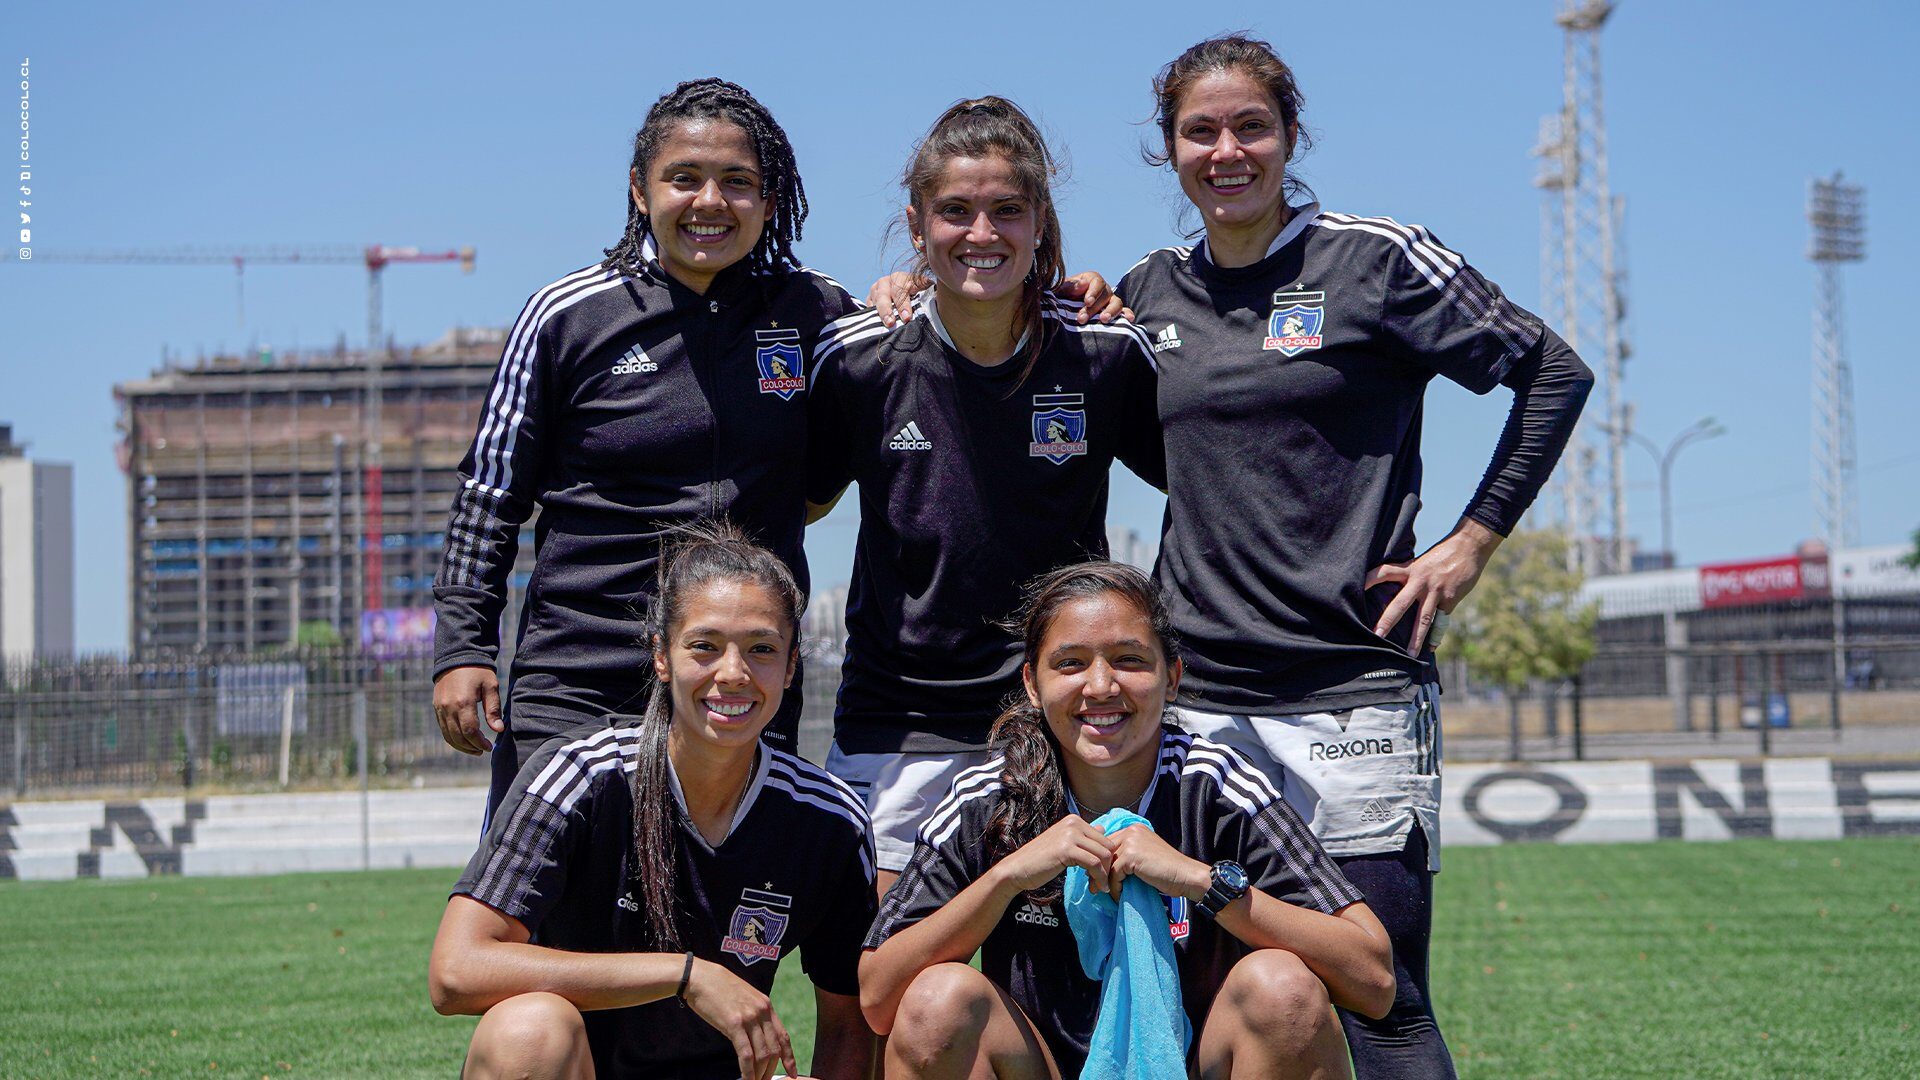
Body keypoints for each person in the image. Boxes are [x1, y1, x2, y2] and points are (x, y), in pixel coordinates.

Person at [1113, 35, 1596, 1077]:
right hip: (1198, 699)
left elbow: (1554, 372)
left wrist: (1471, 542)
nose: (1227, 150)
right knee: (1217, 993)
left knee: (1378, 994)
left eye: (1252, 126)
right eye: (1202, 131)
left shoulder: (1374, 259)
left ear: (1290, 137)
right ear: (1170, 150)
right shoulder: (1145, 294)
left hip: (1354, 689)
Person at [428, 78, 864, 814]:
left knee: (719, 919)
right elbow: (490, 495)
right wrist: (463, 646)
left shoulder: (818, 311)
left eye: (738, 182)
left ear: (769, 194)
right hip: (578, 676)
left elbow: (932, 353)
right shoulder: (567, 315)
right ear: (640, 189)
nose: (710, 202)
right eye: (684, 178)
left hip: (739, 680)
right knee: (540, 917)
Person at [805, 98, 1166, 894]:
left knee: (1067, 985)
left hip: (1061, 720)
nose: (981, 233)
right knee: (883, 992)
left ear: (1039, 221)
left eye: (1007, 210)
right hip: (897, 724)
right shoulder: (861, 356)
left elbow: (1207, 478)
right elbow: (799, 501)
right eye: (955, 211)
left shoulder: (1104, 351)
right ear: (916, 223)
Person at [860, 561, 1393, 1078]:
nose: (1100, 687)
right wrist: (1006, 879)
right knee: (938, 1000)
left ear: (1172, 676)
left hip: (1195, 1065)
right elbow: (878, 997)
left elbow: (1374, 978)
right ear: (1031, 683)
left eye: (1130, 660)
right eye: (1069, 663)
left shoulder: (1219, 785)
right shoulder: (991, 796)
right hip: (1041, 1066)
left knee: (1282, 987)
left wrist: (1199, 882)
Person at [429, 524, 877, 1080]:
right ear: (661, 656)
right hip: (579, 1067)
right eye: (704, 647)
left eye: (761, 649)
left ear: (790, 668)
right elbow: (455, 970)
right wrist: (687, 975)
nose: (733, 674)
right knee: (528, 1030)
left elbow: (849, 1022)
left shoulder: (828, 817)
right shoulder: (579, 775)